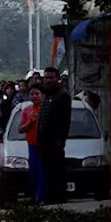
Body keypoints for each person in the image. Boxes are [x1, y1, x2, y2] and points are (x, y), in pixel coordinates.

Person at [37, 67, 72, 203]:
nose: (48, 80)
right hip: (43, 141)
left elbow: (64, 120)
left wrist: (60, 139)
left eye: (51, 77)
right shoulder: (46, 95)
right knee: (47, 171)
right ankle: (50, 196)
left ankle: (58, 197)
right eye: (46, 77)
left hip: (55, 141)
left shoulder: (62, 96)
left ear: (57, 79)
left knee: (56, 170)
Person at [19, 84, 46, 203]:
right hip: (32, 144)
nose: (34, 96)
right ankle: (34, 197)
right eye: (32, 94)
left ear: (42, 95)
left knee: (42, 172)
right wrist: (30, 122)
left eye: (37, 94)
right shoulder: (26, 110)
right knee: (33, 172)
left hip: (44, 145)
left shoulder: (46, 109)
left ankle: (42, 197)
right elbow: (20, 129)